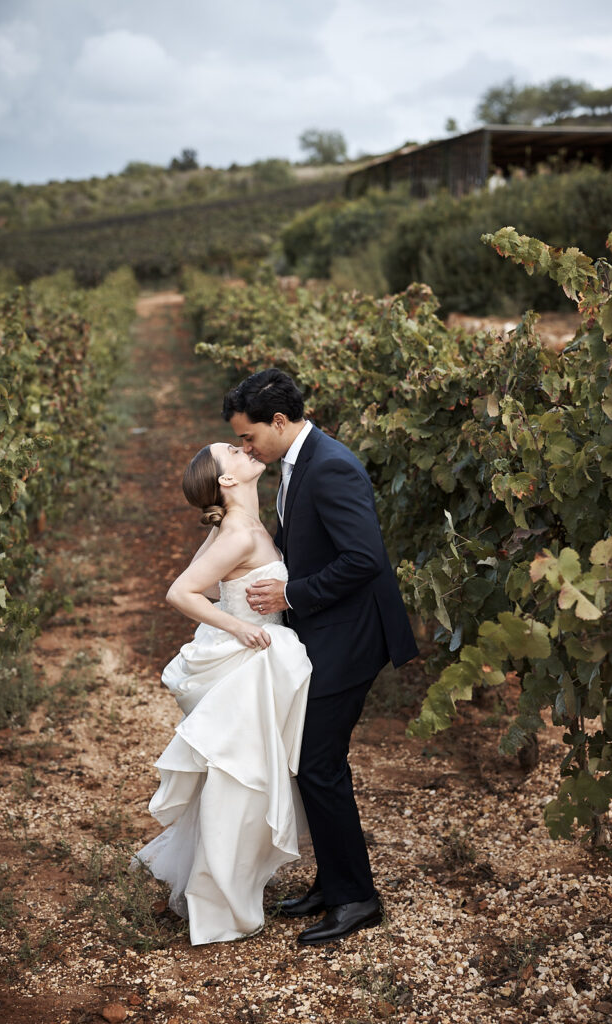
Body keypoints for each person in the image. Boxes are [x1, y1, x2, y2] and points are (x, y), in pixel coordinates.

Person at [223, 369, 418, 946]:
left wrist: (292, 594)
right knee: (312, 761)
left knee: (316, 761)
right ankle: (333, 884)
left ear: (279, 422)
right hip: (328, 630)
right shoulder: (296, 460)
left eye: (249, 437)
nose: (244, 448)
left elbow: (364, 559)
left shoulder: (330, 465)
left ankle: (358, 898)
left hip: (352, 637)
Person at [131, 442, 312, 945]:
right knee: (241, 781)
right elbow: (182, 591)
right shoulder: (235, 531)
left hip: (263, 654)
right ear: (227, 480)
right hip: (249, 661)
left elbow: (215, 583)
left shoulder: (240, 525)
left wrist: (237, 597)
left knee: (244, 778)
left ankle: (229, 885)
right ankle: (221, 905)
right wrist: (238, 624)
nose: (244, 448)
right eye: (231, 451)